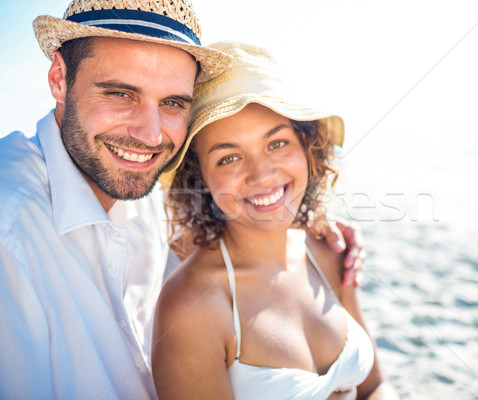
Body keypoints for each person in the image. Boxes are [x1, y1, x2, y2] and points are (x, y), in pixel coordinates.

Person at [0, 1, 363, 399]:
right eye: (121, 93)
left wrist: (308, 223)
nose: (150, 134)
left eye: (172, 103)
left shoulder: (143, 191)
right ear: (58, 78)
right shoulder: (10, 230)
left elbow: (235, 226)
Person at [151, 41, 399, 400]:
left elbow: (375, 386)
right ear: (199, 178)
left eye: (277, 144)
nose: (262, 174)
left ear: (306, 146)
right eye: (229, 158)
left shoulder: (327, 251)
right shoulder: (192, 306)